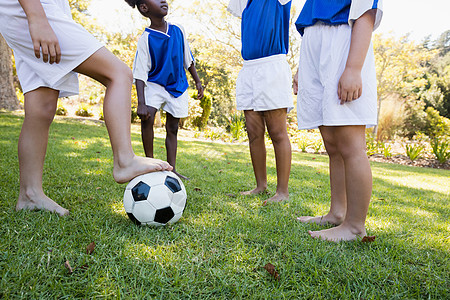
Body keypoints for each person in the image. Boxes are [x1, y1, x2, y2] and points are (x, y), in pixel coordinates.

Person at [0, 0, 173, 216]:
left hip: (37, 8)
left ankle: (30, 194)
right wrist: (36, 16)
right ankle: (124, 160)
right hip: (32, 6)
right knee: (118, 74)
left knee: (42, 106)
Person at [293, 0, 383, 241]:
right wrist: (303, 69)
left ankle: (355, 226)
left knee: (351, 146)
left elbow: (365, 12)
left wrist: (353, 68)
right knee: (332, 144)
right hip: (315, 42)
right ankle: (337, 213)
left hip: (343, 42)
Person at [124, 0, 204, 181]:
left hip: (177, 85)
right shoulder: (146, 38)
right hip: (155, 84)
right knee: (148, 117)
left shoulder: (178, 30)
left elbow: (188, 59)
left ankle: (171, 169)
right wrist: (141, 103)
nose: (163, 0)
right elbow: (140, 72)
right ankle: (149, 165)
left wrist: (198, 82)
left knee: (173, 127)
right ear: (144, 8)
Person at [228, 0, 293, 205]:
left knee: (277, 132)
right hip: (248, 68)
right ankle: (260, 185)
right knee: (254, 132)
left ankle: (282, 191)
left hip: (272, 66)